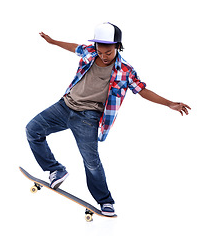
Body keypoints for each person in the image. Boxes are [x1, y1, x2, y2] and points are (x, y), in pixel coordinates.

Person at [25, 22, 191, 216]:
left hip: (88, 117)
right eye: (100, 51)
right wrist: (52, 42)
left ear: (118, 47)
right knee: (32, 129)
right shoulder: (89, 52)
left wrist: (169, 103)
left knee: (91, 161)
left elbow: (142, 90)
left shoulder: (125, 71)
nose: (103, 56)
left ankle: (105, 201)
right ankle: (56, 170)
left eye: (108, 53)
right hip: (64, 106)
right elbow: (73, 47)